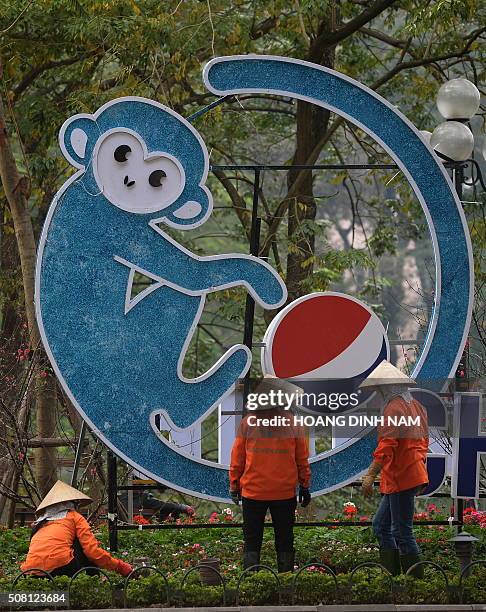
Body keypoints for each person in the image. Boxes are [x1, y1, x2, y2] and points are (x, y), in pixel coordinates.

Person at [229, 375, 311, 572]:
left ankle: (252, 581)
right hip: (284, 493)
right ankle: (285, 579)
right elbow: (302, 459)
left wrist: (234, 486)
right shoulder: (293, 423)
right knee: (284, 538)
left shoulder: (248, 423)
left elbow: (237, 460)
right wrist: (305, 486)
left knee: (252, 540)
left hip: (253, 492)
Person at [360, 360, 429, 577]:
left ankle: (415, 583)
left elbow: (387, 444)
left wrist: (371, 474)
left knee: (401, 532)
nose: (379, 392)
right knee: (381, 526)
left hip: (401, 476)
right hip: (410, 472)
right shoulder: (416, 406)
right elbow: (424, 440)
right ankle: (394, 578)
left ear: (387, 387)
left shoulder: (393, 408)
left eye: (380, 388)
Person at [21, 480, 133, 577]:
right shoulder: (74, 517)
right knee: (85, 550)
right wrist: (120, 566)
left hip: (30, 572)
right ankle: (93, 587)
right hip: (61, 568)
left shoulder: (39, 522)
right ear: (73, 504)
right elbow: (93, 552)